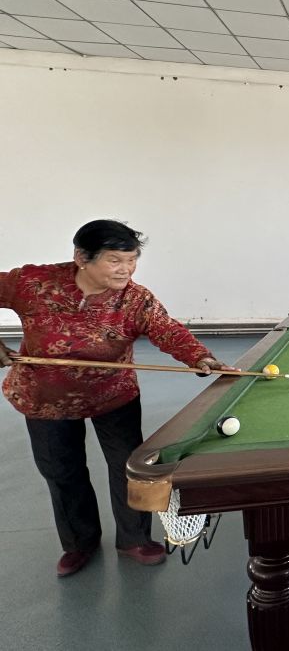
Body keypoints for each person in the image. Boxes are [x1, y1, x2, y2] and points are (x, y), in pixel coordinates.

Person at [0, 220, 230, 578]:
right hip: (45, 398)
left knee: (128, 466)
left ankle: (134, 539)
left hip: (113, 394)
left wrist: (200, 357)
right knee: (62, 472)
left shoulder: (135, 299)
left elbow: (167, 330)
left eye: (132, 260)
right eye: (114, 260)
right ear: (82, 258)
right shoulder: (33, 283)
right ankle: (79, 543)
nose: (126, 269)